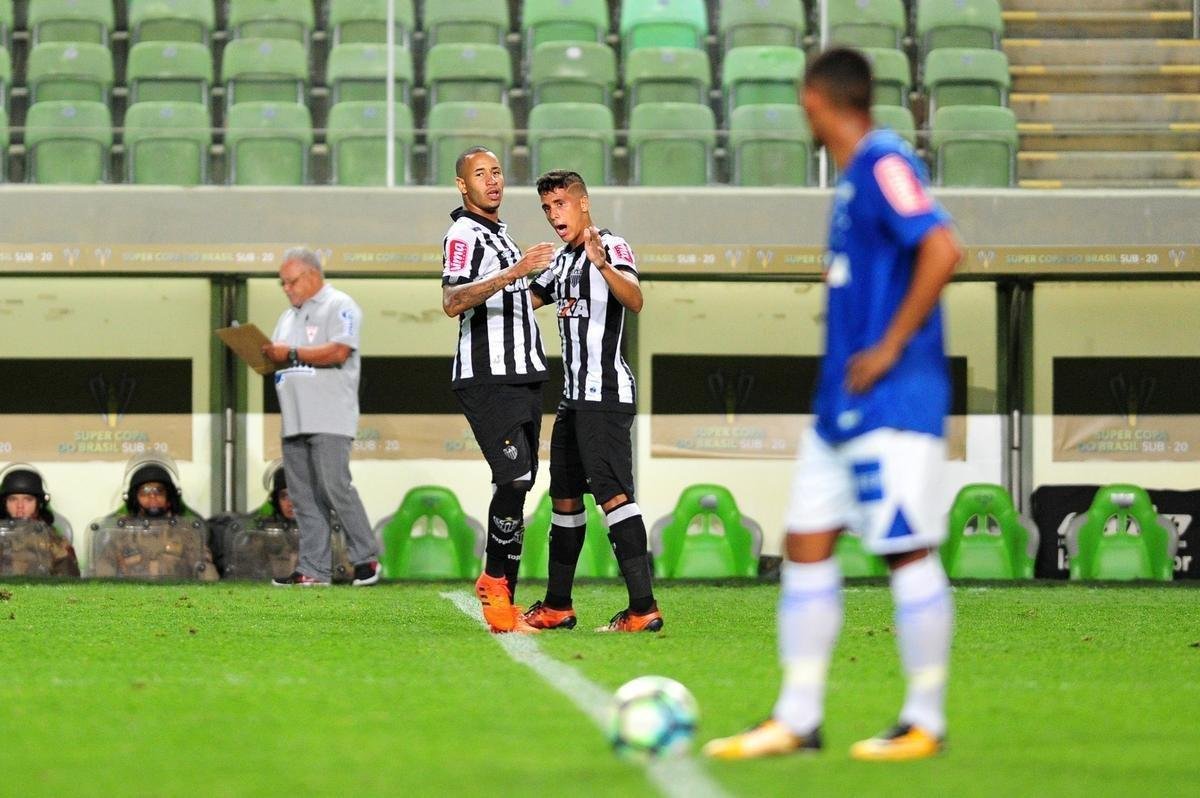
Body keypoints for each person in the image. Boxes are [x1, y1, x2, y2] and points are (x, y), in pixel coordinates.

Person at [703, 48, 963, 762]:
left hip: (893, 398)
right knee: (807, 544)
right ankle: (797, 718)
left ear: (817, 101)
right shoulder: (855, 181)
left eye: (803, 102)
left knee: (905, 548)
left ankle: (924, 719)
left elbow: (943, 249)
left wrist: (888, 346)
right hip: (839, 408)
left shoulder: (884, 162)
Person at [520, 170, 662, 633]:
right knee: (563, 498)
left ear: (583, 203)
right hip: (572, 401)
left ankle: (643, 608)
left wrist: (602, 265)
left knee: (615, 498)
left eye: (560, 203)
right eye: (546, 208)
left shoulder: (612, 246)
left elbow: (635, 299)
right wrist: (510, 274)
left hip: (605, 396)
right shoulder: (560, 262)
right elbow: (526, 301)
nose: (553, 214)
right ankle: (558, 605)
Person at [441, 146, 556, 632]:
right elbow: (452, 299)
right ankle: (494, 585)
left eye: (497, 172)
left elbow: (518, 301)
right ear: (463, 186)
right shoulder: (463, 234)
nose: (492, 181)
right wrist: (514, 271)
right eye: (480, 174)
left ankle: (503, 596)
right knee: (511, 479)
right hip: (488, 377)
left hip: (526, 374)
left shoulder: (503, 236)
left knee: (521, 481)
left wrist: (557, 279)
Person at [261, 247, 380, 587]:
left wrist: (292, 353)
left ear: (313, 275)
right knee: (302, 497)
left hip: (329, 416)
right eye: (282, 283)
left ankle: (365, 559)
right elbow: (280, 358)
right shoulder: (287, 317)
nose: (287, 288)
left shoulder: (340, 305)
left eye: (292, 281)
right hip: (294, 418)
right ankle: (314, 570)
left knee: (334, 487)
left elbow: (339, 350)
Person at [209, 461, 354, 581]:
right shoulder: (258, 531)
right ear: (276, 499)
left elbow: (345, 573)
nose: (291, 503)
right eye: (284, 496)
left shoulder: (327, 529)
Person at [90, 454, 218, 581]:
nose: (152, 497)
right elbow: (103, 575)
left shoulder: (186, 532)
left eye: (159, 491)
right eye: (145, 491)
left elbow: (206, 573)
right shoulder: (121, 533)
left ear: (169, 497)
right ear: (135, 498)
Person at [0, 463, 80, 577]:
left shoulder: (53, 540)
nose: (20, 506)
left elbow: (69, 584)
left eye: (28, 499)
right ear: (4, 503)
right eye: (13, 499)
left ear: (39, 503)